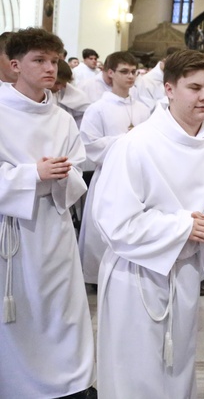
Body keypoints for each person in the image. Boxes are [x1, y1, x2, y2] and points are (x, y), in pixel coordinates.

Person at [93, 49, 204, 398]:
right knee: (135, 370)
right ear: (170, 89)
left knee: (179, 366)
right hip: (137, 276)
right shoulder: (135, 145)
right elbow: (115, 223)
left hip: (185, 271)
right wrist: (183, 227)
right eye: (194, 88)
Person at [0, 28, 96, 398]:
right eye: (39, 60)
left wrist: (61, 177)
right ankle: (18, 384)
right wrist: (32, 175)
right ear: (15, 65)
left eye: (54, 61)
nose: (50, 68)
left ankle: (68, 380)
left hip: (54, 228)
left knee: (62, 309)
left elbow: (77, 173)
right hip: (12, 232)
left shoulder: (62, 119)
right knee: (19, 314)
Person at [78, 51, 150, 287]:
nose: (130, 76)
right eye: (124, 71)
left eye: (133, 72)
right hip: (108, 176)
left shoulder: (142, 109)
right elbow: (89, 145)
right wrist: (125, 140)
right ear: (110, 73)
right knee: (102, 232)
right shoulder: (97, 108)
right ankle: (97, 277)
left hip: (137, 179)